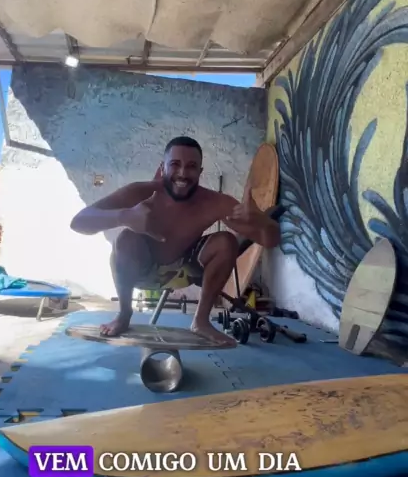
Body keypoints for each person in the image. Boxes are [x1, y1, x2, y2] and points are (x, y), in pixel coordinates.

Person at [70, 136, 280, 346]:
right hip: (144, 270)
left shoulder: (214, 202)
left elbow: (270, 240)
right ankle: (124, 314)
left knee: (226, 241)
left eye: (191, 166)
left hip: (185, 270)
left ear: (200, 171)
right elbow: (78, 222)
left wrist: (262, 222)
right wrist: (123, 216)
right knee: (126, 238)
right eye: (175, 164)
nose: (182, 173)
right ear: (163, 167)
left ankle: (201, 321)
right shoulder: (140, 192)